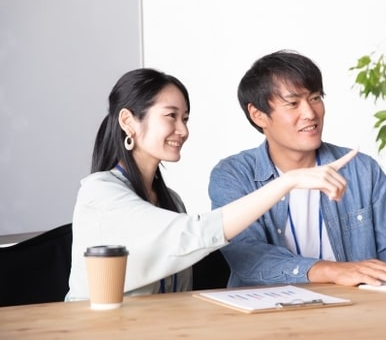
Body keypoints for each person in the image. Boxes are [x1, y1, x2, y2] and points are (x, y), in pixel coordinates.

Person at [65, 68, 357, 301]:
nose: (182, 130)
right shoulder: (99, 192)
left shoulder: (171, 201)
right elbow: (191, 234)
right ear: (128, 121)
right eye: (171, 116)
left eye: (185, 118)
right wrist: (289, 181)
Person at [209, 50, 386, 288]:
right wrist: (333, 270)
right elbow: (249, 259)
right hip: (266, 319)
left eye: (315, 98)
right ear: (258, 115)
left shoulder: (361, 169)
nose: (310, 113)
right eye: (293, 103)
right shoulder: (233, 175)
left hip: (354, 311)